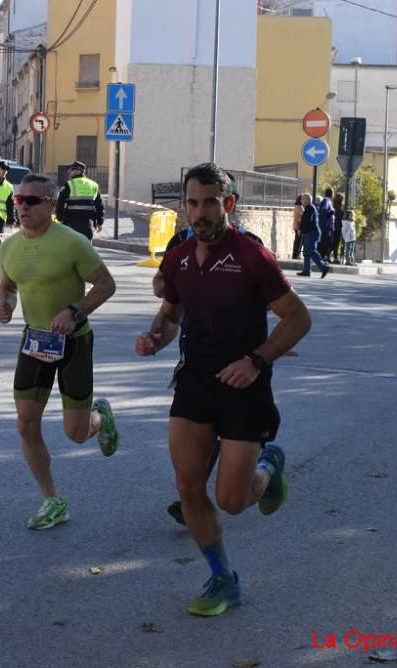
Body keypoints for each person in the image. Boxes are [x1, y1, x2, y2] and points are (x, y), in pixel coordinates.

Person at [135, 163, 312, 617]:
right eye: (192, 203)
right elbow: (171, 316)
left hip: (244, 385)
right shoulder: (177, 258)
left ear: (228, 204)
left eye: (209, 202)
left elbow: (298, 318)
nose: (200, 213)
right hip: (194, 380)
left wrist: (256, 361)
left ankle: (269, 466)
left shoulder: (251, 255)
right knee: (188, 486)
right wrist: (155, 336)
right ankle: (222, 578)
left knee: (232, 501)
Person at [0, 174, 120, 530]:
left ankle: (99, 417)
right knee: (25, 424)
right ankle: (53, 500)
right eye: (19, 200)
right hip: (34, 342)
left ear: (51, 205)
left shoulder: (72, 243)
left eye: (32, 201)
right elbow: (6, 287)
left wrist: (74, 311)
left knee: (76, 434)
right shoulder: (9, 247)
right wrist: (4, 305)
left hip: (74, 342)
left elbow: (106, 285)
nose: (23, 206)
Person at [55, 161, 105, 239]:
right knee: (86, 248)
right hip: (88, 224)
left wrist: (59, 218)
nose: (68, 172)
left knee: (70, 247)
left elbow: (60, 203)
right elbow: (99, 205)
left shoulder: (69, 184)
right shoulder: (94, 185)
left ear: (75, 171)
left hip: (71, 223)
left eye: (70, 169)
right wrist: (100, 222)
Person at [297, 193, 331, 278]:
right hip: (309, 232)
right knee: (306, 252)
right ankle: (306, 270)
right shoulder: (308, 208)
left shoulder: (310, 208)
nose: (301, 201)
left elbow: (307, 221)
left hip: (312, 233)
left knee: (311, 251)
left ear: (307, 200)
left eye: (302, 199)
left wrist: (301, 229)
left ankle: (324, 267)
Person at [317, 188, 335, 261]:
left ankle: (322, 257)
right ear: (331, 194)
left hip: (327, 226)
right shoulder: (326, 201)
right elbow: (323, 212)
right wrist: (331, 212)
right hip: (325, 226)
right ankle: (321, 257)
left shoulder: (328, 201)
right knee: (325, 242)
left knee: (328, 242)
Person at [331, 191, 345, 263]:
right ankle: (335, 258)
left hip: (333, 226)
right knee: (336, 243)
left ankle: (329, 256)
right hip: (337, 227)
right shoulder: (339, 208)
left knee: (333, 242)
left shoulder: (333, 206)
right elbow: (340, 218)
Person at [291, 195, 303, 260]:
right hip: (298, 226)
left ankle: (295, 254)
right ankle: (296, 255)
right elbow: (304, 214)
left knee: (297, 240)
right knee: (298, 241)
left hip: (296, 225)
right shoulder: (299, 207)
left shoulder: (296, 207)